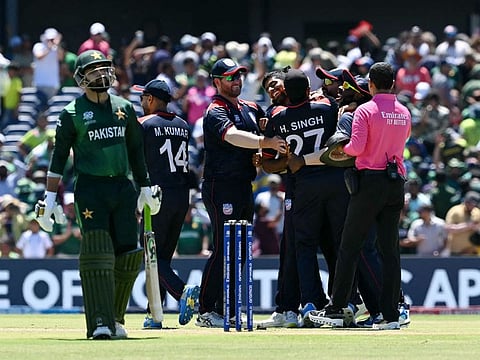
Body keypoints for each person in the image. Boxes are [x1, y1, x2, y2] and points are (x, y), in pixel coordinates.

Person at [34, 50, 160, 340]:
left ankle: (116, 318)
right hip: (91, 189)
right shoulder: (72, 113)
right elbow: (58, 160)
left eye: (104, 68)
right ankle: (99, 322)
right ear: (81, 77)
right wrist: (50, 199)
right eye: (93, 70)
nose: (101, 75)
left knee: (128, 254)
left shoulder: (125, 108)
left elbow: (136, 152)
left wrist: (145, 186)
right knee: (98, 252)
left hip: (123, 188)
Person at [309, 62, 411, 330]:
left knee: (349, 246)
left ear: (372, 85)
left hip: (369, 182)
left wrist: (339, 148)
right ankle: (390, 315)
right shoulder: (404, 111)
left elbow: (356, 148)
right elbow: (402, 142)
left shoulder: (365, 110)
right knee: (390, 251)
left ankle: (337, 307)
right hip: (395, 182)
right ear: (393, 83)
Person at [195, 58, 287, 328]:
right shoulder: (215, 110)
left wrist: (264, 153)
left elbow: (270, 124)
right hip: (219, 185)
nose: (237, 81)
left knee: (241, 251)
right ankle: (206, 309)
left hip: (243, 185)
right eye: (230, 77)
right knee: (225, 247)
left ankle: (230, 308)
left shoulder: (250, 107)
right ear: (217, 81)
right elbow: (233, 136)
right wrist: (263, 142)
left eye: (239, 76)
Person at [264, 68, 348, 327]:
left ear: (286, 91)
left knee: (304, 246)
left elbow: (270, 159)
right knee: (339, 245)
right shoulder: (325, 107)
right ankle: (343, 302)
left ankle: (311, 302)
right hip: (334, 180)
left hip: (304, 184)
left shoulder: (277, 116)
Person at [134, 78, 200, 329]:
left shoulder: (143, 123)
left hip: (156, 196)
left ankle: (183, 292)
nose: (141, 102)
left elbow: (135, 159)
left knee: (151, 257)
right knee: (162, 257)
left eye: (143, 98)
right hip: (181, 196)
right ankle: (154, 313)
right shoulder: (183, 125)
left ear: (150, 99)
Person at [32, 28, 63, 106]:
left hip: (53, 85)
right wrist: (49, 48)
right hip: (40, 84)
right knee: (40, 109)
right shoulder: (38, 46)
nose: (50, 41)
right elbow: (39, 56)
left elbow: (61, 58)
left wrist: (57, 44)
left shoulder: (56, 49)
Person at [445, 191, 480, 255]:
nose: (472, 206)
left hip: (472, 252)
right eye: (470, 203)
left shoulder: (477, 212)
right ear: (466, 201)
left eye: (474, 204)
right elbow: (449, 229)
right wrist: (468, 226)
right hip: (456, 252)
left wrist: (476, 228)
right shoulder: (455, 211)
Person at [52, 192, 81, 257]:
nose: (71, 207)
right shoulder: (59, 219)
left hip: (80, 255)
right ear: (65, 206)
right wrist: (66, 235)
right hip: (63, 256)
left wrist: (80, 236)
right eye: (69, 205)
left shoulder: (82, 219)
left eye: (72, 205)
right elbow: (54, 240)